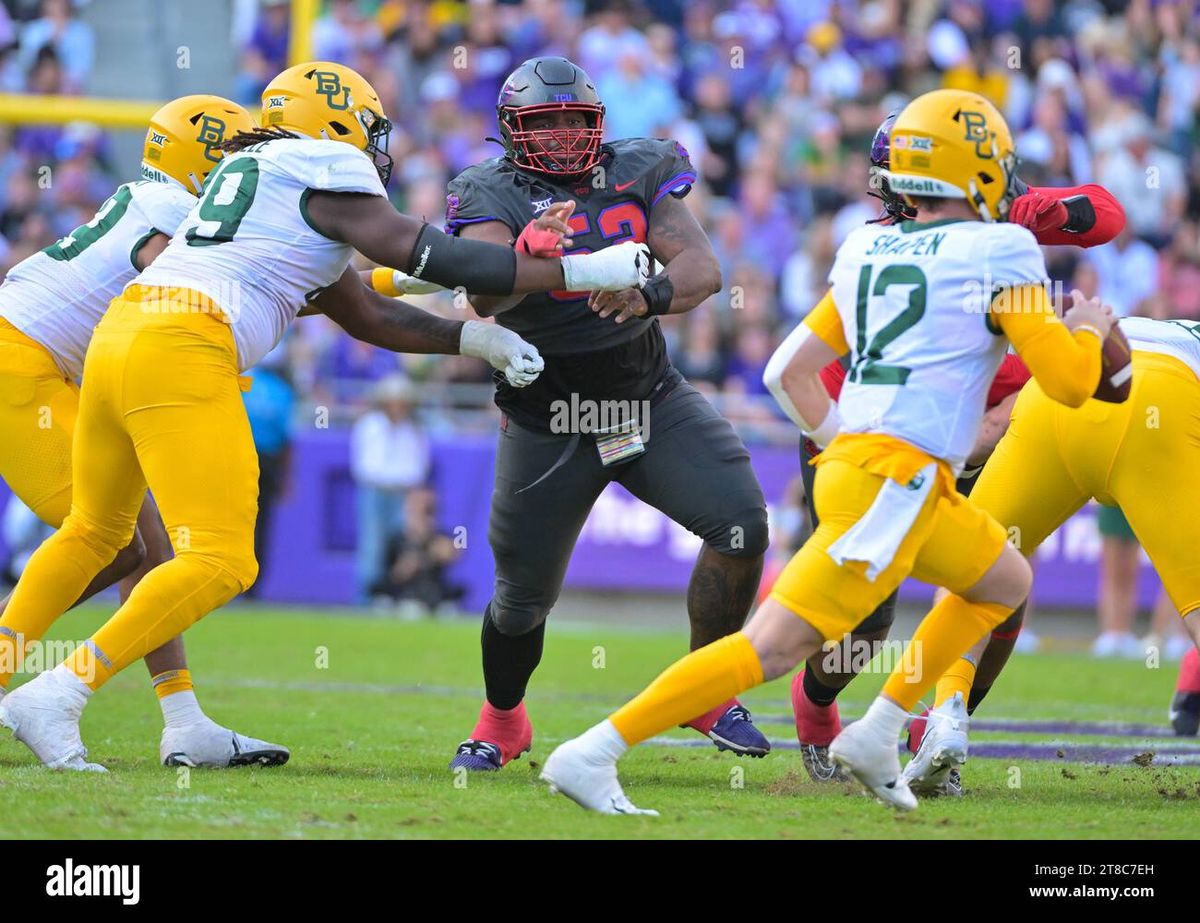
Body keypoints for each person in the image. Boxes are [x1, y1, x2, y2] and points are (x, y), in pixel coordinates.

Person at [0, 60, 650, 771]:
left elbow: (360, 307)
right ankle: (58, 689)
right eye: (368, 127)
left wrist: (474, 335)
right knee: (220, 558)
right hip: (180, 342)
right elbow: (424, 252)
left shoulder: (249, 178)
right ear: (335, 120)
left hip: (117, 340)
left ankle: (138, 707)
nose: (374, 144)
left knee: (99, 531)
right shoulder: (324, 162)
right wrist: (586, 269)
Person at [540, 88, 1110, 814]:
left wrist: (853, 448)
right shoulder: (1003, 248)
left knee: (1003, 579)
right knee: (771, 649)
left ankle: (877, 732)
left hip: (871, 472)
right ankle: (597, 749)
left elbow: (786, 372)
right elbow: (1067, 383)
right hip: (895, 481)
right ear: (981, 168)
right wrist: (1088, 325)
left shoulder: (869, 246)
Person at [432, 56, 771, 772]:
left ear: (598, 125)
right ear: (511, 132)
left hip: (646, 399)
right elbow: (483, 297)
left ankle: (704, 687)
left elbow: (703, 270)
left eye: (572, 121)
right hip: (546, 421)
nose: (559, 136)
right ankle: (502, 718)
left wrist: (648, 294)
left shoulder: (636, 168)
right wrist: (524, 253)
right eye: (543, 122)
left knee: (742, 524)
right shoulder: (490, 190)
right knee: (521, 600)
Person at [790, 110, 1126, 785]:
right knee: (865, 611)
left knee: (1002, 588)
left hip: (992, 429)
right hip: (884, 435)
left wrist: (1018, 209)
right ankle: (815, 707)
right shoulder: (880, 250)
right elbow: (820, 374)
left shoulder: (999, 233)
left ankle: (932, 724)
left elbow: (1108, 215)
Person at [0, 94, 289, 768]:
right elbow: (212, 285)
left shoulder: (153, 197)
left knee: (149, 539)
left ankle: (183, 718)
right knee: (110, 541)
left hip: (43, 363)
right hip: (24, 364)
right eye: (237, 154)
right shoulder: (172, 214)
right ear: (206, 155)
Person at [906, 314, 1200, 793]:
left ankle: (945, 715)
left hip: (1054, 395)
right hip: (1155, 401)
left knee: (970, 568)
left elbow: (994, 418)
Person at [349, 375, 429, 602]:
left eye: (402, 402)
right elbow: (363, 464)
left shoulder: (414, 429)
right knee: (371, 545)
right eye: (393, 401)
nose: (397, 407)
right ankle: (365, 599)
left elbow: (419, 465)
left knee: (404, 548)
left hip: (404, 494)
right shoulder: (369, 425)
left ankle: (396, 597)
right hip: (374, 491)